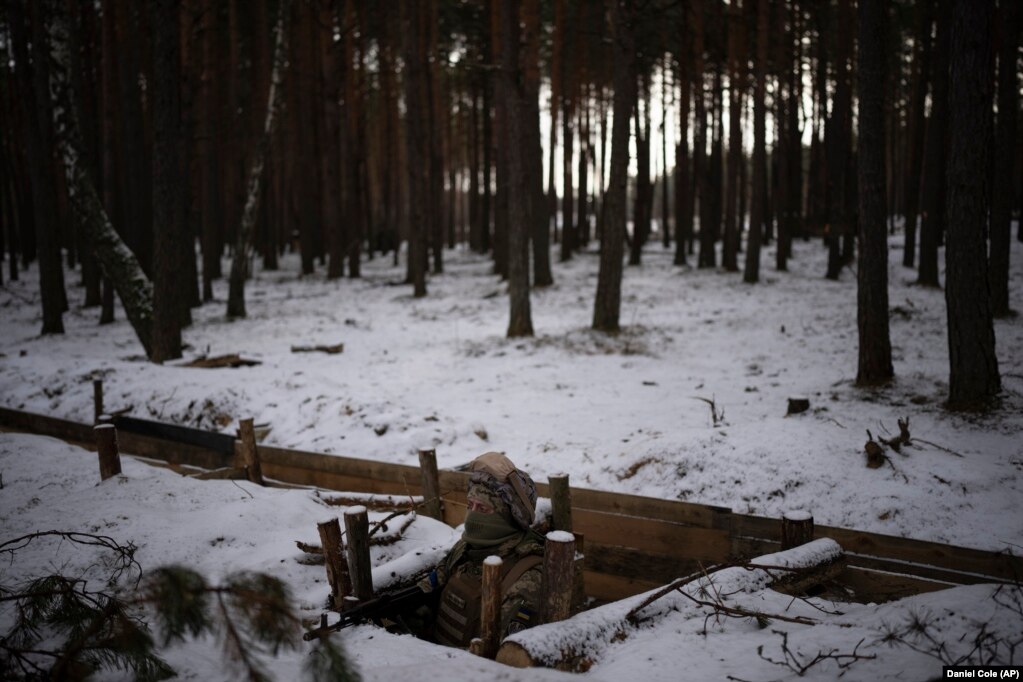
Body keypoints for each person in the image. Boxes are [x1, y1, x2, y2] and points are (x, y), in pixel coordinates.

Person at [417, 451, 545, 647]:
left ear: (509, 518)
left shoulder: (527, 574)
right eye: (470, 505)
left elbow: (505, 652)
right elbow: (429, 590)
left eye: (483, 509)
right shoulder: (465, 548)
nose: (472, 515)